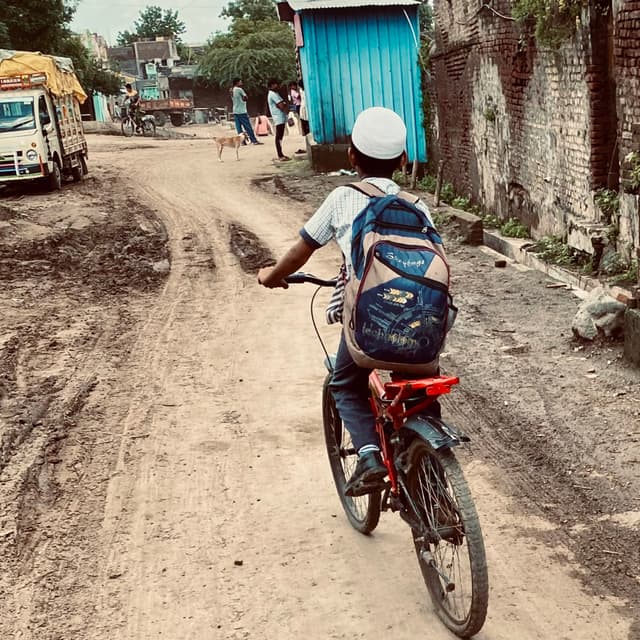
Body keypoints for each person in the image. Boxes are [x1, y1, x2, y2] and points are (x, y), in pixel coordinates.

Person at [258, 107, 439, 496]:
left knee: (344, 382)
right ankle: (435, 484)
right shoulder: (417, 206)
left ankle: (370, 456)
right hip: (420, 324)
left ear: (352, 156)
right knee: (421, 391)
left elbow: (300, 251)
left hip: (367, 325)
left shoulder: (343, 198)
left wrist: (271, 277)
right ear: (403, 159)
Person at [231, 78, 262, 145]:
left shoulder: (232, 90)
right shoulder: (239, 89)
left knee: (238, 127)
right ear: (237, 82)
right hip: (241, 110)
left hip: (235, 110)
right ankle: (253, 140)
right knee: (247, 126)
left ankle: (242, 141)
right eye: (240, 81)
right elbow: (246, 97)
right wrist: (243, 99)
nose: (241, 82)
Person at [267, 79, 290, 161]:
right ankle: (280, 155)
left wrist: (283, 104)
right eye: (276, 84)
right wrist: (284, 105)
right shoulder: (272, 94)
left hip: (281, 116)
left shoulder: (275, 93)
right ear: (272, 85)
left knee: (280, 136)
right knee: (279, 137)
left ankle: (281, 154)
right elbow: (281, 105)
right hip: (278, 117)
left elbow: (282, 104)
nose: (277, 86)